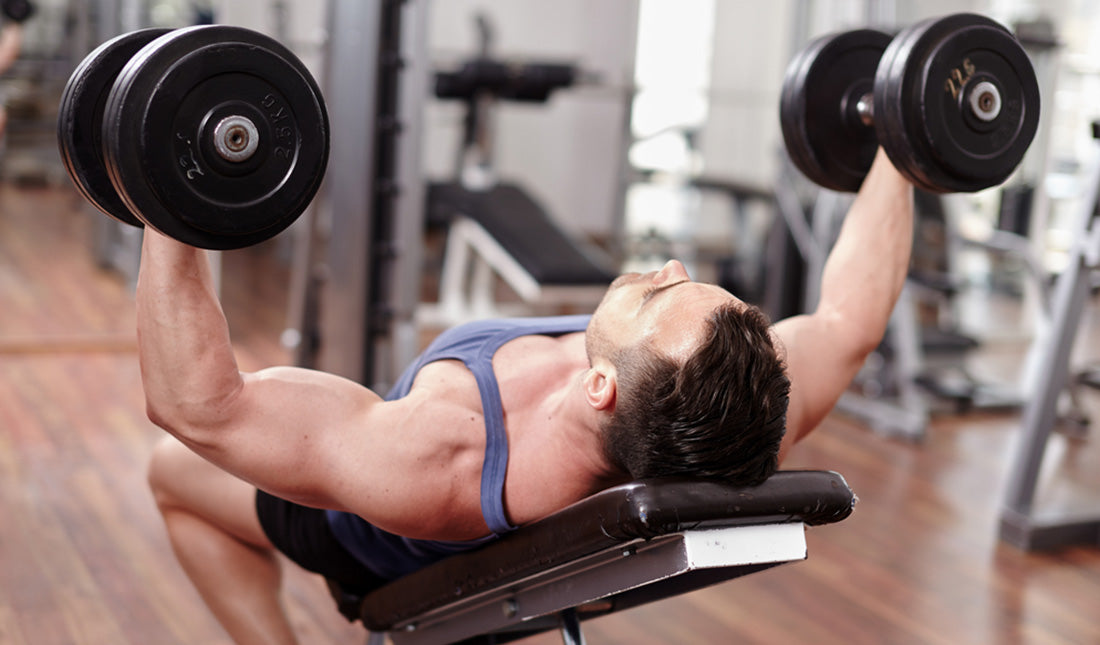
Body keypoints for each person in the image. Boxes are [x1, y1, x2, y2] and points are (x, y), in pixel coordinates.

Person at [144, 149, 913, 644]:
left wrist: (165, 189)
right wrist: (903, 146)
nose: (670, 266)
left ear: (601, 384)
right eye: (691, 285)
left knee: (169, 471)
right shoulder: (731, 409)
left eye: (657, 299)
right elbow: (850, 319)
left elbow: (200, 406)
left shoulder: (439, 453)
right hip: (396, 434)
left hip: (353, 530)